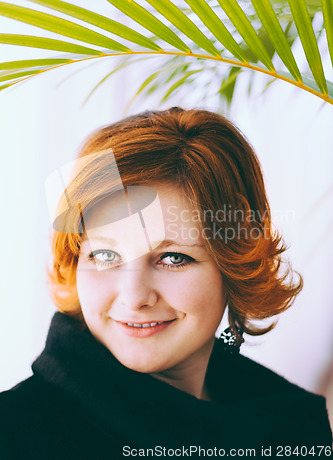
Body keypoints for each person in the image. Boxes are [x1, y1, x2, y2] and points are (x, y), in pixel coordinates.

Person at [0, 107, 331, 458]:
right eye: (104, 256)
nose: (134, 296)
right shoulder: (13, 436)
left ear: (236, 267)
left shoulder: (293, 428)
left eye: (173, 258)